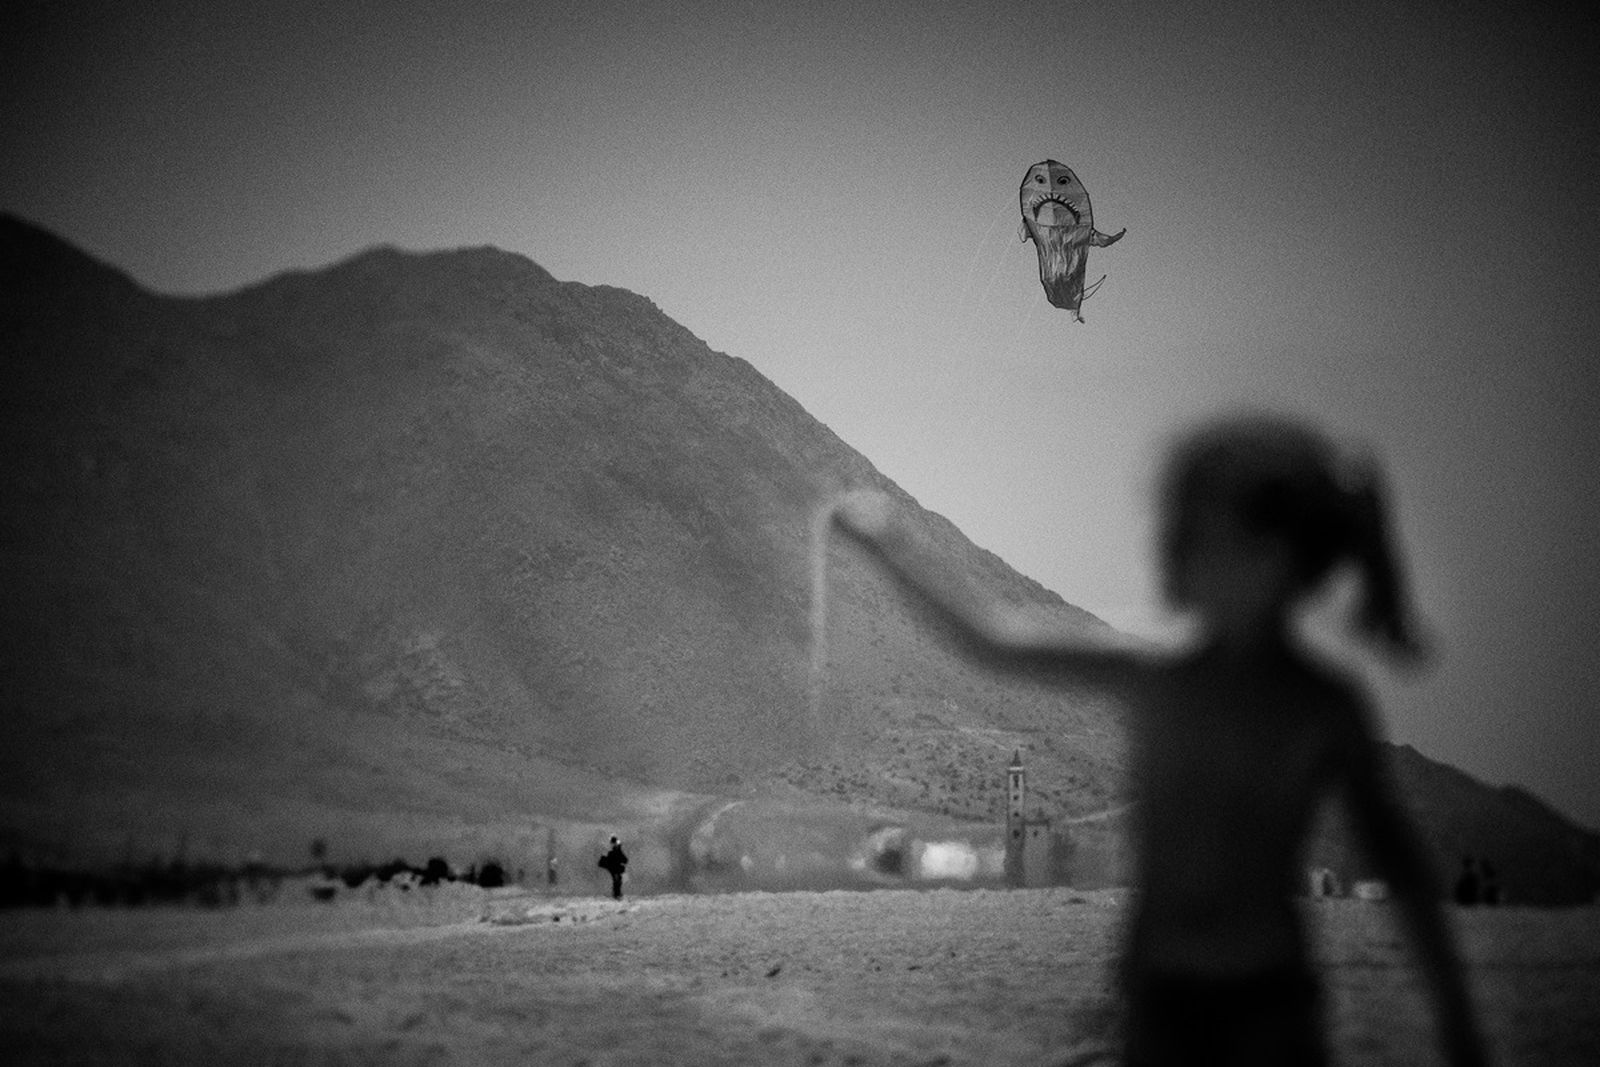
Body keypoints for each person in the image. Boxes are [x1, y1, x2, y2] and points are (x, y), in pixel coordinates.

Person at [823, 412, 1487, 1067]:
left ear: (1285, 556)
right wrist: (890, 544)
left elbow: (1396, 859)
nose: (1184, 556)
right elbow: (992, 637)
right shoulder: (1156, 674)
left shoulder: (1317, 708)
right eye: (1184, 537)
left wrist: (1456, 1015)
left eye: (1207, 538)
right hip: (1159, 1001)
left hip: (1270, 1008)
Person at [597, 836, 628, 900]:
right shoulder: (614, 848)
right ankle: (617, 893)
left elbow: (606, 855)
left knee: (617, 879)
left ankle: (617, 893)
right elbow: (623, 858)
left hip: (613, 865)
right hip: (614, 865)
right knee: (618, 879)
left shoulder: (613, 848)